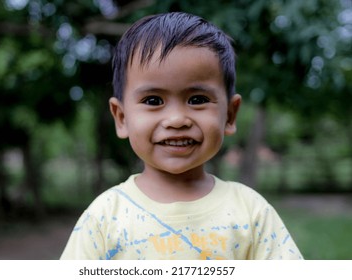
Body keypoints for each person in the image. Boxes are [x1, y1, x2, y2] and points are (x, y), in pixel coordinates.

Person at [60, 12, 303, 260]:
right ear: (122, 118)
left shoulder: (251, 212)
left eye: (197, 100)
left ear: (229, 115)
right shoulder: (104, 216)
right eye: (153, 100)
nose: (176, 119)